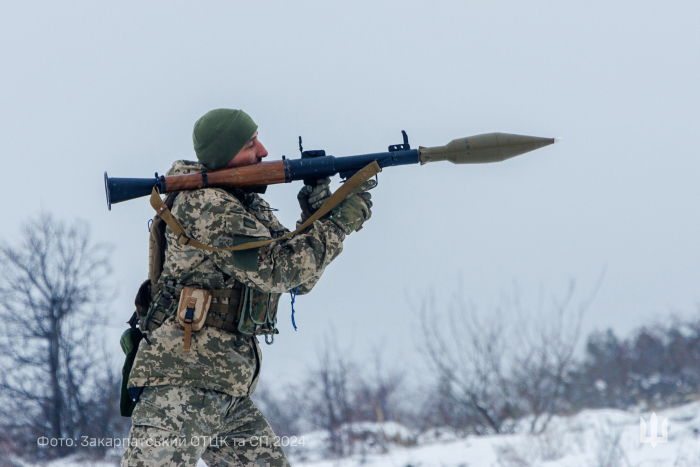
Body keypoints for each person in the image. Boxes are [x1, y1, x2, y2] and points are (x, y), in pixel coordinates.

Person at [121, 109, 373, 467]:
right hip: (181, 386)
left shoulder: (244, 202)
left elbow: (299, 280)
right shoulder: (207, 205)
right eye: (250, 144)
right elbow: (277, 271)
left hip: (226, 388)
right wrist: (341, 224)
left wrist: (318, 214)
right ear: (225, 155)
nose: (264, 151)